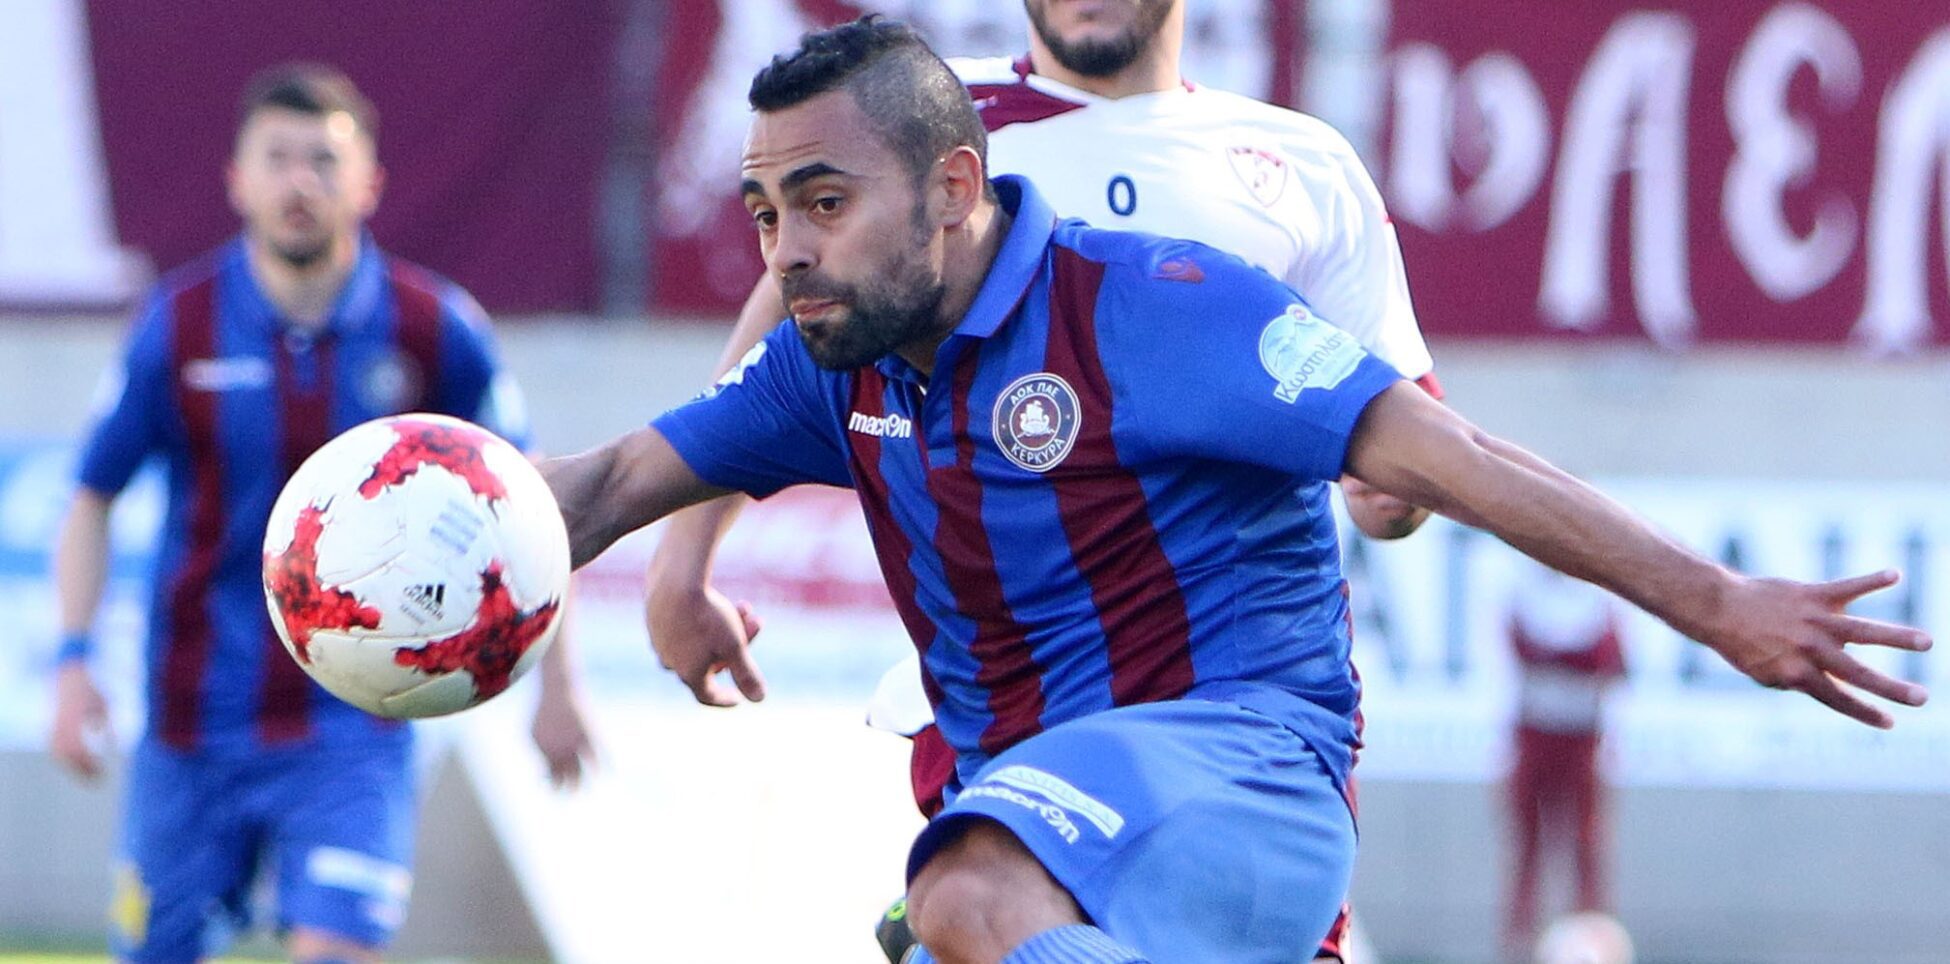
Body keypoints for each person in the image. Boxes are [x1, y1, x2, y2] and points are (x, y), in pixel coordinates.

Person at [543, 19, 1928, 963]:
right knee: (975, 892)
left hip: (1242, 762)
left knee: (967, 895)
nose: (786, 250)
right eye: (766, 214)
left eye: (823, 205)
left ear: (955, 187)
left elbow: (1452, 456)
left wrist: (1718, 603)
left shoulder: (1159, 300)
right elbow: (602, 483)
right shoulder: (828, 363)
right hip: (1027, 782)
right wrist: (451, 506)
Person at [47, 64, 595, 963]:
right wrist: (73, 662)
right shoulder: (178, 326)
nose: (300, 181)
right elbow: (90, 497)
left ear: (369, 181)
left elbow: (532, 507)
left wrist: (559, 685)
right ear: (238, 179)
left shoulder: (434, 329)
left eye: (324, 160)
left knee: (335, 950)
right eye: (278, 158)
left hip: (356, 724)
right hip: (193, 723)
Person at [1501, 561, 1628, 959]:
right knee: (1528, 845)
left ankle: (1592, 941)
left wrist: (1558, 658)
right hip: (1535, 731)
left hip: (1582, 735)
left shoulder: (1598, 600)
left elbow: (1613, 662)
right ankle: (1520, 943)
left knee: (1586, 842)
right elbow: (1518, 650)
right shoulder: (1525, 593)